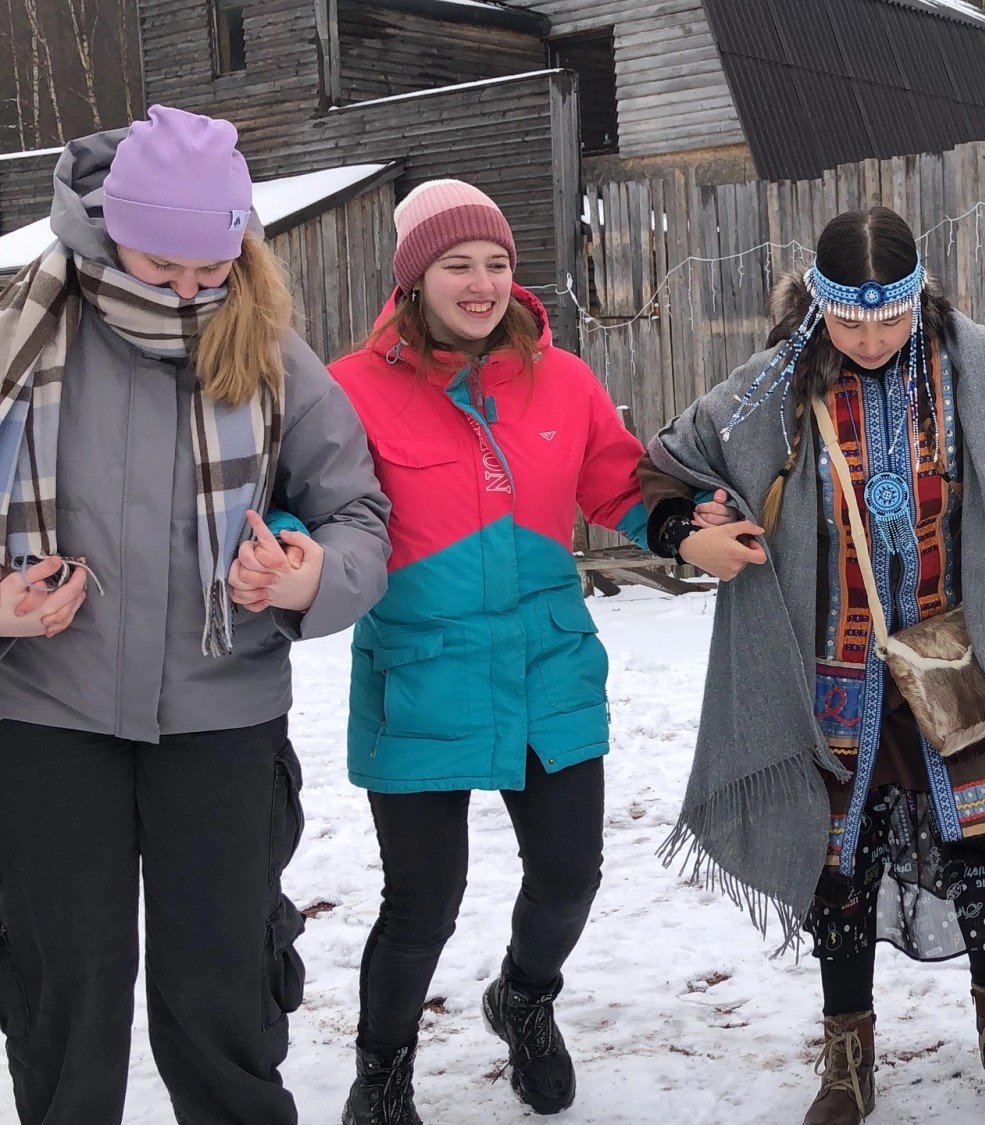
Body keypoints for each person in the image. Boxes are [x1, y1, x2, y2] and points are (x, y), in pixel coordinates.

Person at [644, 205, 985, 1125]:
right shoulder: (772, 386)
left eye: (889, 316)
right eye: (848, 319)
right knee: (843, 864)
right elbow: (663, 467)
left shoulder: (973, 367)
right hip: (836, 677)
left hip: (950, 668)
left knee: (981, 849)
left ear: (918, 295)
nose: (868, 337)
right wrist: (685, 532)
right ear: (818, 304)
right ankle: (846, 1056)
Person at [0, 105, 390, 1125]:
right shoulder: (18, 331)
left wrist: (311, 579)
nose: (187, 288)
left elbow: (358, 511)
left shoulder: (268, 351)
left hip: (222, 722)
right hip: (46, 716)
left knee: (220, 990)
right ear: (104, 226)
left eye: (209, 265)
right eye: (158, 261)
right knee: (64, 1000)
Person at [326, 179, 650, 1123]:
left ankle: (524, 997)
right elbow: (314, 502)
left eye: (497, 264)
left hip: (547, 666)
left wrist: (681, 520)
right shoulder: (350, 389)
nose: (480, 283)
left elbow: (618, 484)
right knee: (423, 899)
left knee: (568, 875)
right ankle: (381, 1070)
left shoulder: (565, 379)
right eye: (457, 264)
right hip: (420, 675)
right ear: (414, 277)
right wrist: (294, 558)